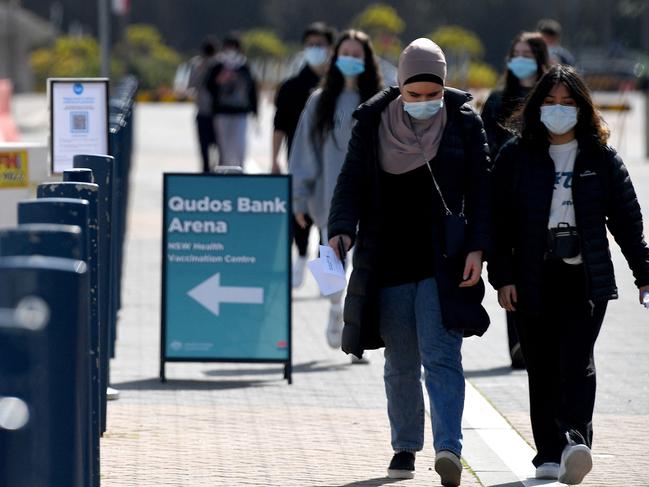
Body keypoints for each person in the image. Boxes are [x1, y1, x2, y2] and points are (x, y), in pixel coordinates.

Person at [327, 38, 492, 485]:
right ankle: (404, 446)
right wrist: (341, 229)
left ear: (444, 87)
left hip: (445, 262)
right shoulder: (372, 122)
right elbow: (350, 185)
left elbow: (482, 190)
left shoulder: (463, 123)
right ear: (399, 86)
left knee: (442, 355)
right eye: (413, 95)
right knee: (400, 360)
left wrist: (479, 248)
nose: (423, 103)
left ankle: (448, 449)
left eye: (432, 95)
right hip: (388, 262)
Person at [489, 64, 649, 484]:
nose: (558, 109)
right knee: (541, 366)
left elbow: (628, 222)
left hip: (584, 276)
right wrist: (502, 277)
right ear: (537, 106)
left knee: (577, 361)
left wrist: (643, 273)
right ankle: (547, 451)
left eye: (567, 102)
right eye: (550, 102)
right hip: (531, 276)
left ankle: (576, 442)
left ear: (582, 108)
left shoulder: (601, 158)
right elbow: (497, 223)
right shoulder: (516, 156)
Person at [289, 29, 383, 353]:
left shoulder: (380, 101)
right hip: (330, 197)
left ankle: (360, 330)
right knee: (332, 262)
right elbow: (304, 152)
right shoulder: (319, 101)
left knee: (366, 268)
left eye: (358, 54)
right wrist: (299, 197)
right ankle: (334, 308)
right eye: (346, 53)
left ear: (367, 60)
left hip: (373, 199)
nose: (351, 60)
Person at [481, 31, 549, 369]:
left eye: (528, 53)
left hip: (544, 198)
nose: (520, 58)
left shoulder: (553, 96)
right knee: (512, 269)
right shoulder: (496, 100)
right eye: (516, 52)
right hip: (507, 196)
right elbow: (485, 147)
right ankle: (518, 346)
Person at [272, 22, 335, 288]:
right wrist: (274, 159)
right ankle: (298, 263)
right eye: (310, 45)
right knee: (300, 214)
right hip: (299, 162)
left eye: (320, 45)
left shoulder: (337, 88)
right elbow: (279, 126)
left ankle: (329, 280)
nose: (315, 50)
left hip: (332, 165)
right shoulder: (291, 87)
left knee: (330, 220)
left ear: (331, 48)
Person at [205, 34, 258, 168]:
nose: (231, 50)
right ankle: (224, 169)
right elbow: (208, 86)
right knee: (223, 146)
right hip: (222, 112)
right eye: (228, 47)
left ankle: (240, 169)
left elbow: (253, 89)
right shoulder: (217, 66)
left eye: (234, 47)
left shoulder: (244, 66)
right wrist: (219, 80)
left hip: (241, 112)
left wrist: (255, 111)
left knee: (240, 145)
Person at [187, 36, 219, 172]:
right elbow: (192, 85)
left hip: (216, 112)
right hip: (206, 112)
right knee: (206, 144)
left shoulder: (219, 65)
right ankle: (207, 167)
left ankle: (214, 166)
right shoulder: (197, 65)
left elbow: (190, 86)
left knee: (214, 144)